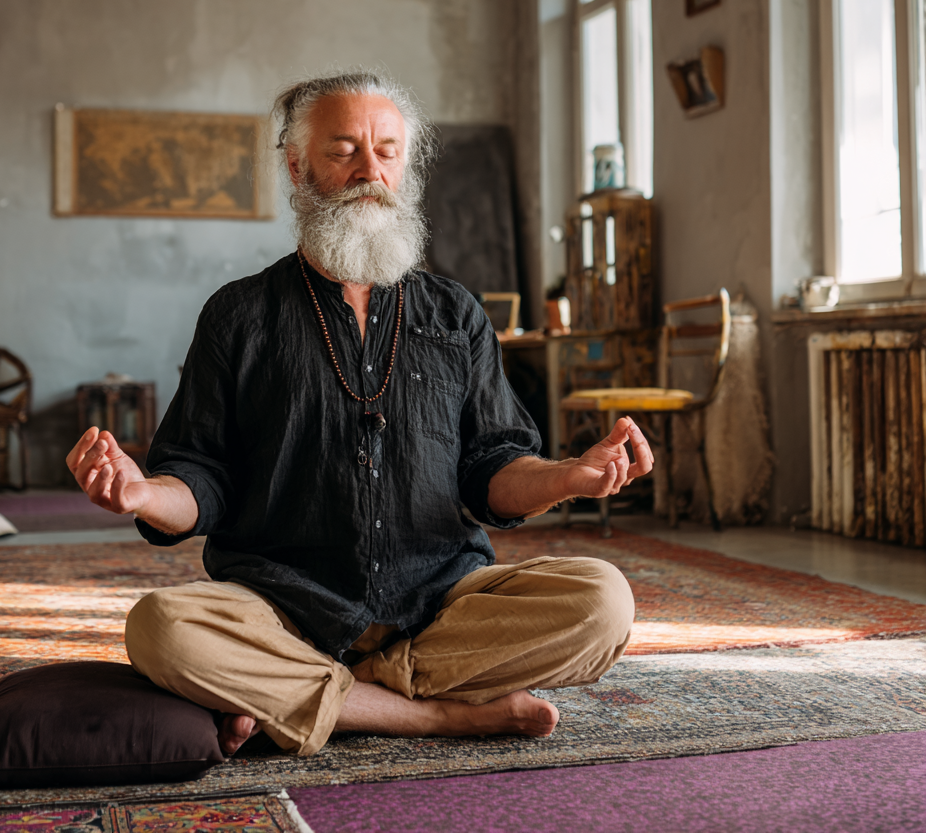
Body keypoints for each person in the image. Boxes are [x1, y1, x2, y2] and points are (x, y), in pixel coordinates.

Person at [66, 70, 653, 759]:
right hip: (280, 609)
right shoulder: (238, 315)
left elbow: (491, 469)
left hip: (439, 605)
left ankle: (320, 694)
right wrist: (141, 492)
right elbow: (201, 477)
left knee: (603, 602)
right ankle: (442, 716)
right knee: (162, 628)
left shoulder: (455, 313)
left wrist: (569, 476)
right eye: (344, 150)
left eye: (387, 150)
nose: (369, 170)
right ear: (298, 166)